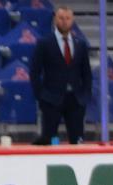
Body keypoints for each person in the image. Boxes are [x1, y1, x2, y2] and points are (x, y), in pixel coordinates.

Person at [29, 5, 91, 145]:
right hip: (51, 99)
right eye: (61, 18)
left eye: (67, 18)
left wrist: (85, 95)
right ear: (55, 19)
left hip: (76, 100)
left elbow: (86, 72)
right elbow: (34, 72)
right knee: (47, 140)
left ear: (72, 20)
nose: (64, 21)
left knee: (78, 141)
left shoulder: (80, 44)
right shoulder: (44, 43)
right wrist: (41, 96)